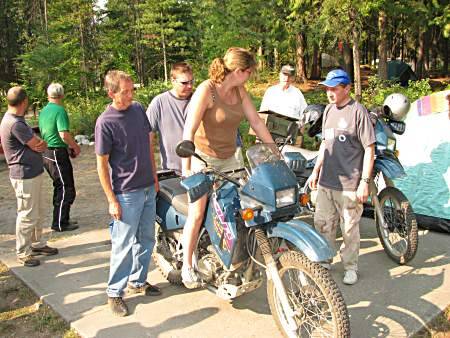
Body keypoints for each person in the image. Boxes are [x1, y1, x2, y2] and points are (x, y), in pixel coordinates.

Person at [181, 47, 275, 288]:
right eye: (250, 72)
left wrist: (276, 153)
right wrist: (187, 166)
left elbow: (256, 122)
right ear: (239, 71)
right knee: (198, 211)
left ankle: (236, 256)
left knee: (245, 203)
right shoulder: (207, 90)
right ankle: (187, 265)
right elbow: (189, 129)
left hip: (231, 157)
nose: (251, 77)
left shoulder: (240, 91)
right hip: (203, 157)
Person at [95, 70, 161, 317]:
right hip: (126, 193)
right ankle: (114, 292)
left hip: (147, 187)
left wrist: (154, 177)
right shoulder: (105, 122)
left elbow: (148, 143)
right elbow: (101, 165)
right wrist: (112, 200)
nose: (131, 94)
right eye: (126, 91)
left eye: (132, 89)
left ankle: (138, 280)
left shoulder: (138, 109)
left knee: (147, 239)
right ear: (112, 93)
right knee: (123, 245)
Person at [308, 69, 375, 285]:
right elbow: (324, 144)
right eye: (328, 88)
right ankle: (326, 259)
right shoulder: (328, 110)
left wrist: (365, 182)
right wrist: (315, 170)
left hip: (349, 184)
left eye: (334, 88)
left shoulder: (358, 112)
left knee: (349, 229)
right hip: (327, 181)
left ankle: (350, 267)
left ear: (347, 88)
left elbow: (369, 149)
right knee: (323, 223)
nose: (330, 92)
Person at [0, 86, 58, 267]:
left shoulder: (16, 119)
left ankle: (36, 243)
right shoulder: (14, 123)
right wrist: (41, 143)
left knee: (37, 211)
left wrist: (38, 144)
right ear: (24, 102)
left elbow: (35, 143)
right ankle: (23, 252)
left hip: (32, 172)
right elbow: (37, 144)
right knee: (27, 214)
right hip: (24, 175)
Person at [39, 83, 80, 232]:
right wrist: (74, 146)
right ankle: (60, 222)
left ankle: (62, 219)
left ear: (48, 95)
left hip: (47, 152)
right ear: (62, 95)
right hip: (56, 151)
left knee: (59, 185)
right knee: (66, 187)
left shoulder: (44, 110)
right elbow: (63, 134)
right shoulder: (60, 111)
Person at [146, 62, 194, 172]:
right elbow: (147, 139)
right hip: (171, 171)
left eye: (192, 82)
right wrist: (151, 172)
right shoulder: (158, 103)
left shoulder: (199, 100)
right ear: (173, 81)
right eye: (184, 83)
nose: (190, 86)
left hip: (199, 169)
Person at [260, 64, 307, 145]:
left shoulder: (297, 93)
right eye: (284, 74)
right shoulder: (270, 91)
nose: (286, 78)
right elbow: (262, 115)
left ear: (293, 78)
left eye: (289, 75)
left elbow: (305, 116)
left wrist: (299, 139)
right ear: (280, 75)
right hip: (271, 134)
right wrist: (259, 137)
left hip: (291, 136)